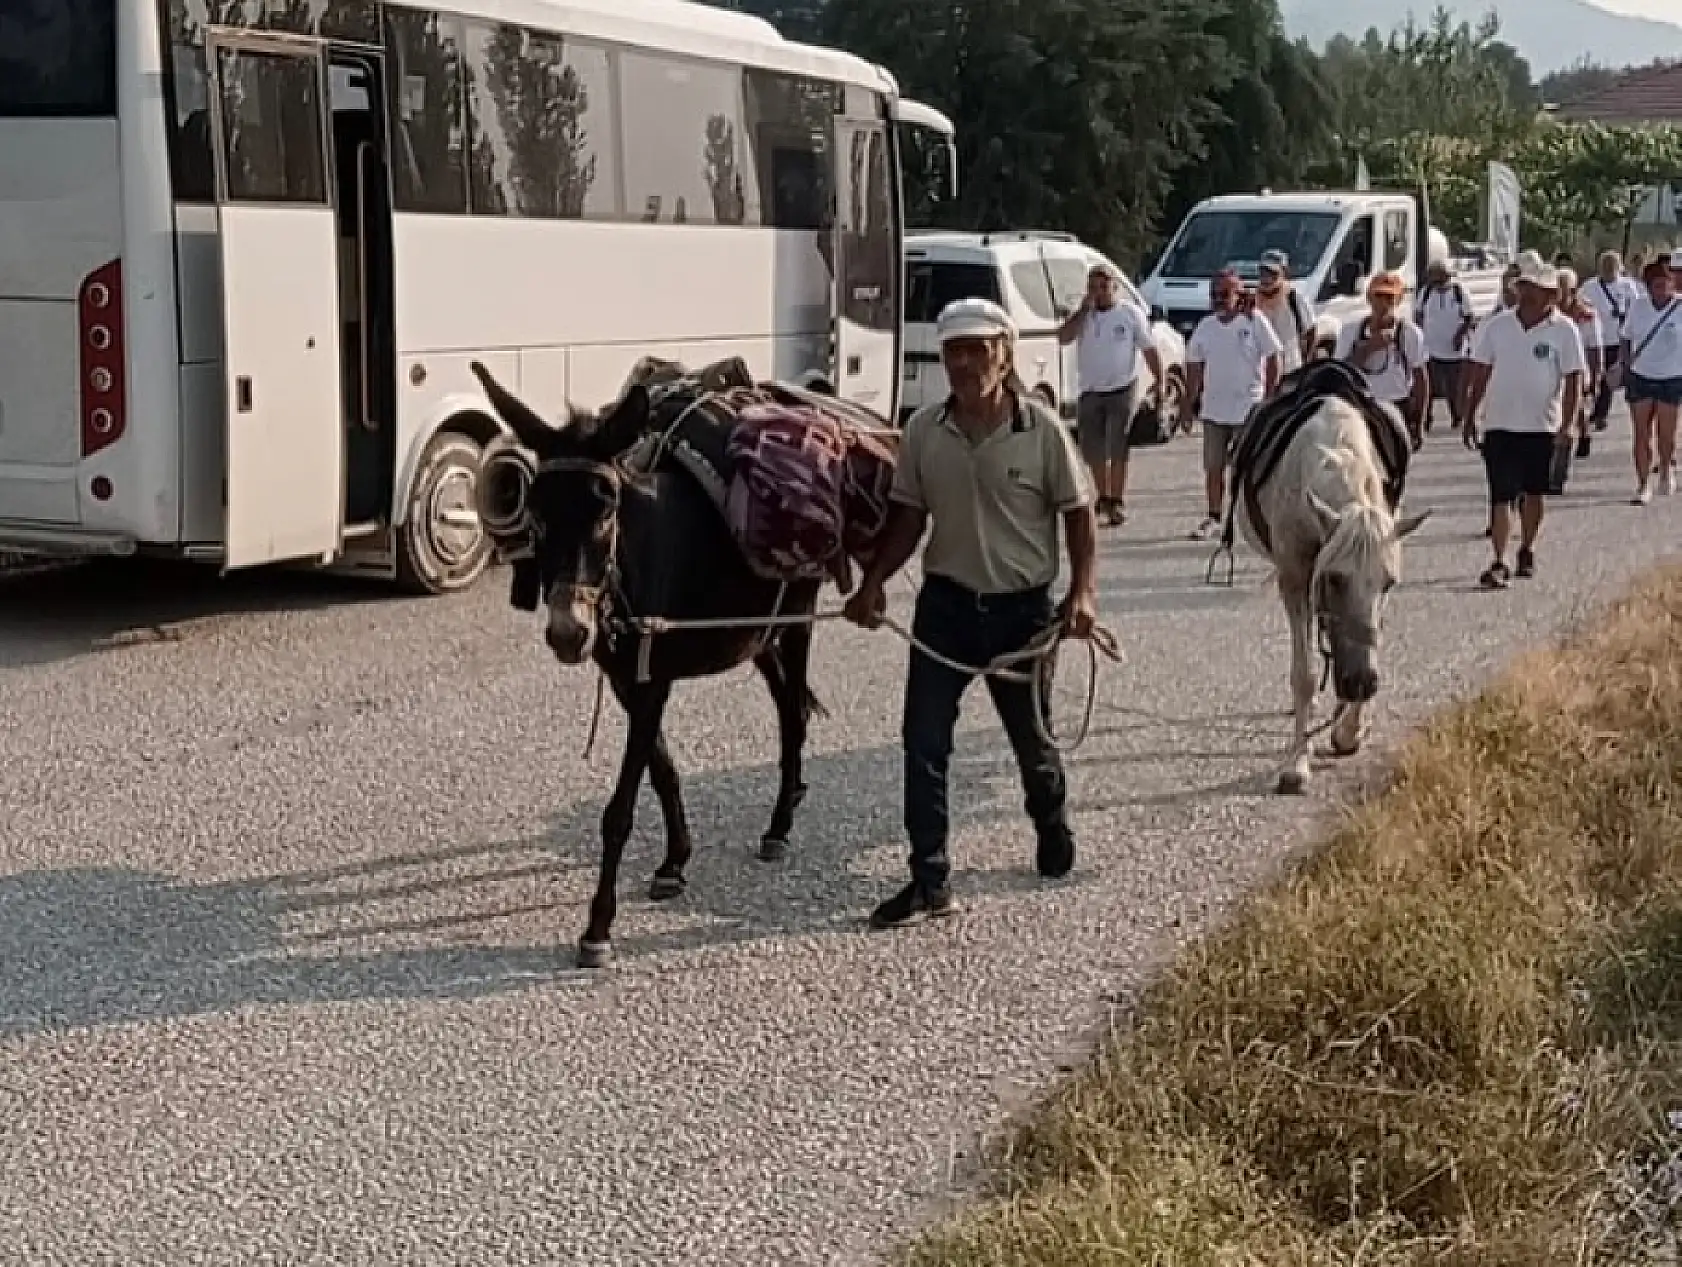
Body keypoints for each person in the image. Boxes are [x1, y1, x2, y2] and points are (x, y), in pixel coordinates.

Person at [844, 296, 1099, 929]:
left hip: (1022, 616)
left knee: (1033, 741)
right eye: (953, 350)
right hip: (947, 610)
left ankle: (1050, 820)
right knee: (923, 743)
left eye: (976, 349)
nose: (962, 362)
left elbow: (1080, 514)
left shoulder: (1041, 431)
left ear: (1003, 354)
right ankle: (929, 879)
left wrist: (1082, 594)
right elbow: (908, 516)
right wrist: (872, 583)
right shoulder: (926, 431)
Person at [1461, 251, 1585, 588]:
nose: (1526, 293)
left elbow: (1574, 378)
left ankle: (1527, 547)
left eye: (1534, 288)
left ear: (1550, 295)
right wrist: (1470, 414)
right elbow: (1481, 371)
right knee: (1500, 494)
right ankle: (1499, 560)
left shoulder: (1565, 330)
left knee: (1533, 493)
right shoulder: (1497, 326)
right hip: (1499, 424)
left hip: (1541, 426)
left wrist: (1569, 423)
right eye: (1523, 286)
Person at [1057, 262, 1162, 527]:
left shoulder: (1129, 314)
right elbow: (1063, 337)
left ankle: (1116, 499)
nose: (1099, 293)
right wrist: (1082, 310)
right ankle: (1102, 495)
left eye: (1104, 287)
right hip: (1090, 389)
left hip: (1122, 388)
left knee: (1118, 445)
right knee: (1092, 449)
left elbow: (1149, 349)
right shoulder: (1084, 316)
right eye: (1094, 288)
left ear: (1115, 288)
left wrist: (1159, 382)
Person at [1183, 269, 1283, 541]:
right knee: (1213, 468)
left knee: (1248, 468)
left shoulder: (1254, 322)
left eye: (1224, 294)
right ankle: (1213, 517)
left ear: (1239, 295)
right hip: (1214, 411)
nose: (1218, 299)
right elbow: (1194, 366)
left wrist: (1270, 398)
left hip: (1247, 410)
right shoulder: (1205, 327)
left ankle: (1249, 518)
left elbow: (1274, 356)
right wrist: (1188, 403)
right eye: (1214, 294)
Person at [1334, 271, 1429, 447]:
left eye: (1389, 297)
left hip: (1397, 405)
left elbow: (1420, 377)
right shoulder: (1351, 331)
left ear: (1398, 300)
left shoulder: (1409, 333)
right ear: (1369, 298)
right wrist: (1369, 348)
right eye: (1379, 296)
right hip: (1361, 405)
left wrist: (1419, 421)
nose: (1383, 303)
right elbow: (1341, 371)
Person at [1619, 254, 1682, 505]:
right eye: (1656, 284)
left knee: (1666, 433)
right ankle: (1643, 484)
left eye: (1665, 282)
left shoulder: (1680, 307)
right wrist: (1625, 364)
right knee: (1640, 433)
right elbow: (1625, 336)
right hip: (1641, 375)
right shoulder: (1638, 307)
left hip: (1672, 376)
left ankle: (1666, 467)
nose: (1661, 288)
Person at [1581, 249, 1640, 430]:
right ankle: (1591, 408)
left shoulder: (1627, 286)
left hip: (1616, 339)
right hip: (1594, 340)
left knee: (1608, 378)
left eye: (1611, 266)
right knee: (1593, 376)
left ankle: (1601, 414)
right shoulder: (1590, 287)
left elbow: (1636, 309)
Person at [1417, 259, 1475, 434]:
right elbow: (1418, 313)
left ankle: (1458, 416)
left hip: (1454, 350)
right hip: (1430, 348)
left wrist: (1459, 336)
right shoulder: (1426, 292)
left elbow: (1469, 316)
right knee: (1430, 386)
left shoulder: (1459, 291)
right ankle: (1426, 418)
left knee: (1454, 386)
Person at [1555, 267, 1604, 463]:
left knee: (1578, 403)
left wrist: (1597, 372)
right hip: (1554, 364)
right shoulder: (1550, 312)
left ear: (1573, 291)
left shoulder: (1587, 314)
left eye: (1563, 289)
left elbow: (1595, 345)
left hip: (1580, 365)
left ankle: (1582, 433)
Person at [1253, 248, 1317, 372]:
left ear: (1284, 272)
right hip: (1261, 370)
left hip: (1290, 368)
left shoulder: (1294, 297)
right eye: (1264, 272)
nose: (1267, 278)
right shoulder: (1252, 299)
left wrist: (1306, 361)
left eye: (1273, 273)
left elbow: (1311, 330)